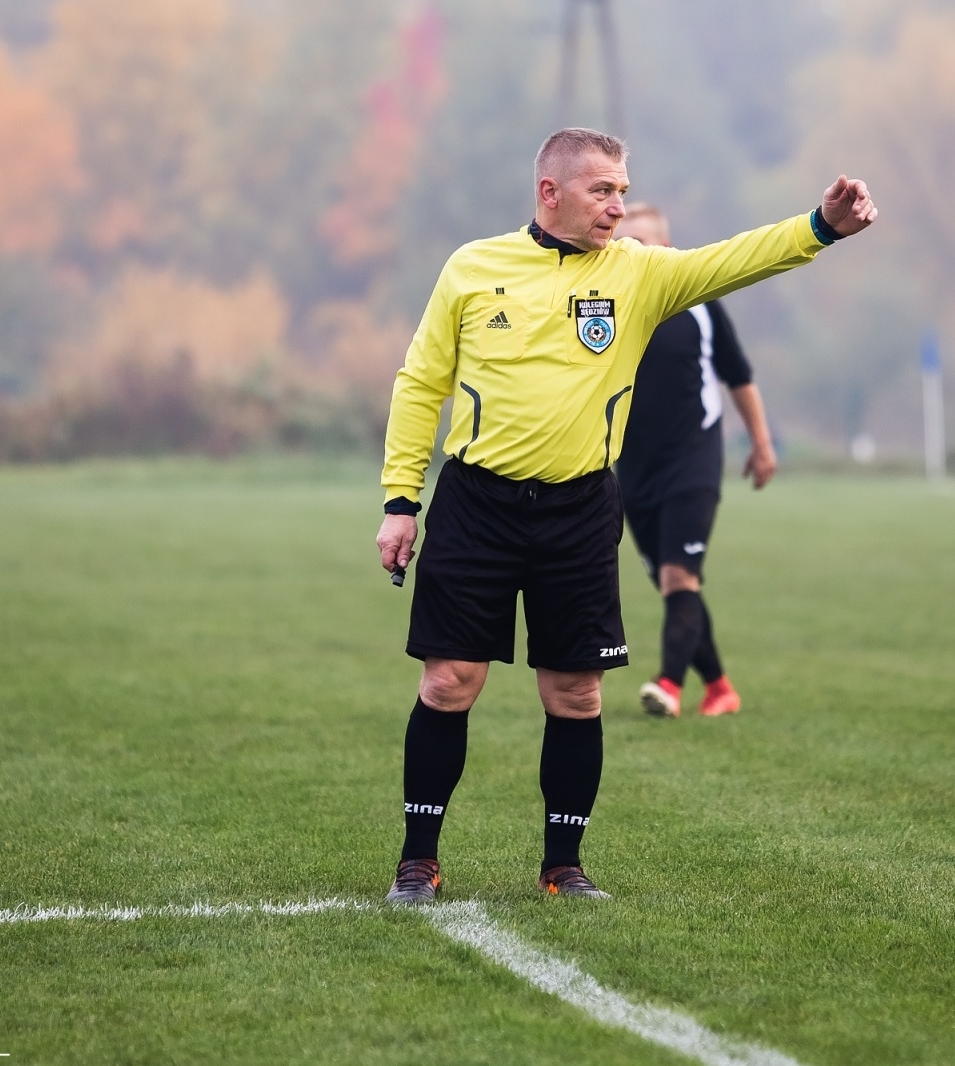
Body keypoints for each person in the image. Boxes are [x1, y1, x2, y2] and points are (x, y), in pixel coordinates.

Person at [375, 127, 876, 904]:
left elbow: (734, 259)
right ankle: (418, 860)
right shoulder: (473, 269)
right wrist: (401, 502)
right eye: (602, 190)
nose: (618, 206)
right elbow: (419, 384)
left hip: (578, 509)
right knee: (449, 682)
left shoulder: (639, 275)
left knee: (575, 693)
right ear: (551, 192)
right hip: (476, 504)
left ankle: (563, 867)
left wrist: (818, 228)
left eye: (621, 189)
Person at [611, 204, 776, 719]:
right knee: (672, 580)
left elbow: (738, 375)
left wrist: (761, 444)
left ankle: (668, 685)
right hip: (631, 469)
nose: (633, 249)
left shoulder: (701, 303)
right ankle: (720, 687)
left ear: (667, 247)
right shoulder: (605, 305)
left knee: (680, 577)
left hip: (694, 460)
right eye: (624, 240)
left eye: (642, 239)